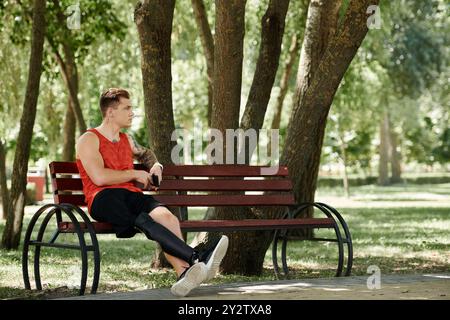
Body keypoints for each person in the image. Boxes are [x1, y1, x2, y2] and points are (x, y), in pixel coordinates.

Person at [75, 88, 228, 297]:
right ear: (110, 112)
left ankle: (184, 274)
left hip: (129, 195)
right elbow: (99, 177)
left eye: (132, 108)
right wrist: (134, 174)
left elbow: (145, 154)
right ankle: (196, 258)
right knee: (145, 220)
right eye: (126, 108)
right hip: (103, 199)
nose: (132, 112)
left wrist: (156, 166)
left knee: (166, 217)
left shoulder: (126, 140)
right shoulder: (89, 139)